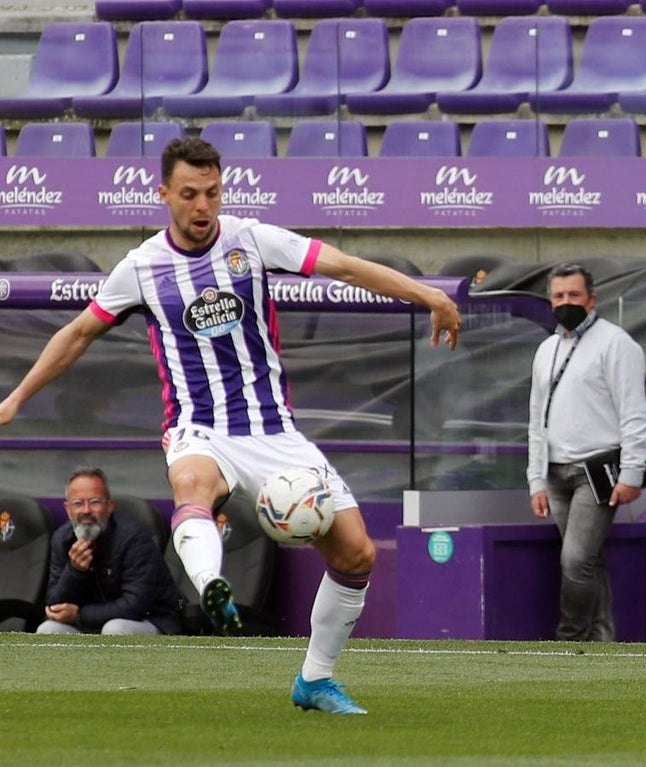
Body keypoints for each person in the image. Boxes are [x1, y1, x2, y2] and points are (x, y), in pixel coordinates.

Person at [0, 137, 462, 714]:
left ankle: (314, 680)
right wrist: (16, 397)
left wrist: (430, 296)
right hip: (198, 426)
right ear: (163, 192)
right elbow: (77, 334)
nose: (202, 207)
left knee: (357, 555)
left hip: (274, 430)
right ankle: (211, 583)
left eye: (212, 193)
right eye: (189, 194)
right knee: (192, 485)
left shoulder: (252, 240)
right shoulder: (142, 267)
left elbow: (345, 266)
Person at [527, 263, 646, 642]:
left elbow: (634, 412)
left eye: (574, 295)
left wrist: (631, 472)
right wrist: (535, 478)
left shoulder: (617, 344)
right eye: (559, 296)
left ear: (592, 299)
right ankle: (601, 640)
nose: (566, 302)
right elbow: (536, 418)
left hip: (595, 471)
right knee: (586, 561)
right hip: (555, 472)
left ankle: (571, 637)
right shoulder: (546, 348)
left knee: (575, 560)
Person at [38, 466, 183, 637]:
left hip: (148, 621)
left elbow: (134, 605)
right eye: (78, 503)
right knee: (48, 630)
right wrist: (75, 570)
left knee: (114, 629)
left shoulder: (133, 537)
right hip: (90, 623)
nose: (86, 510)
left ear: (109, 506)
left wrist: (79, 615)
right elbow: (55, 605)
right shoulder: (61, 539)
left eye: (95, 502)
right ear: (67, 508)